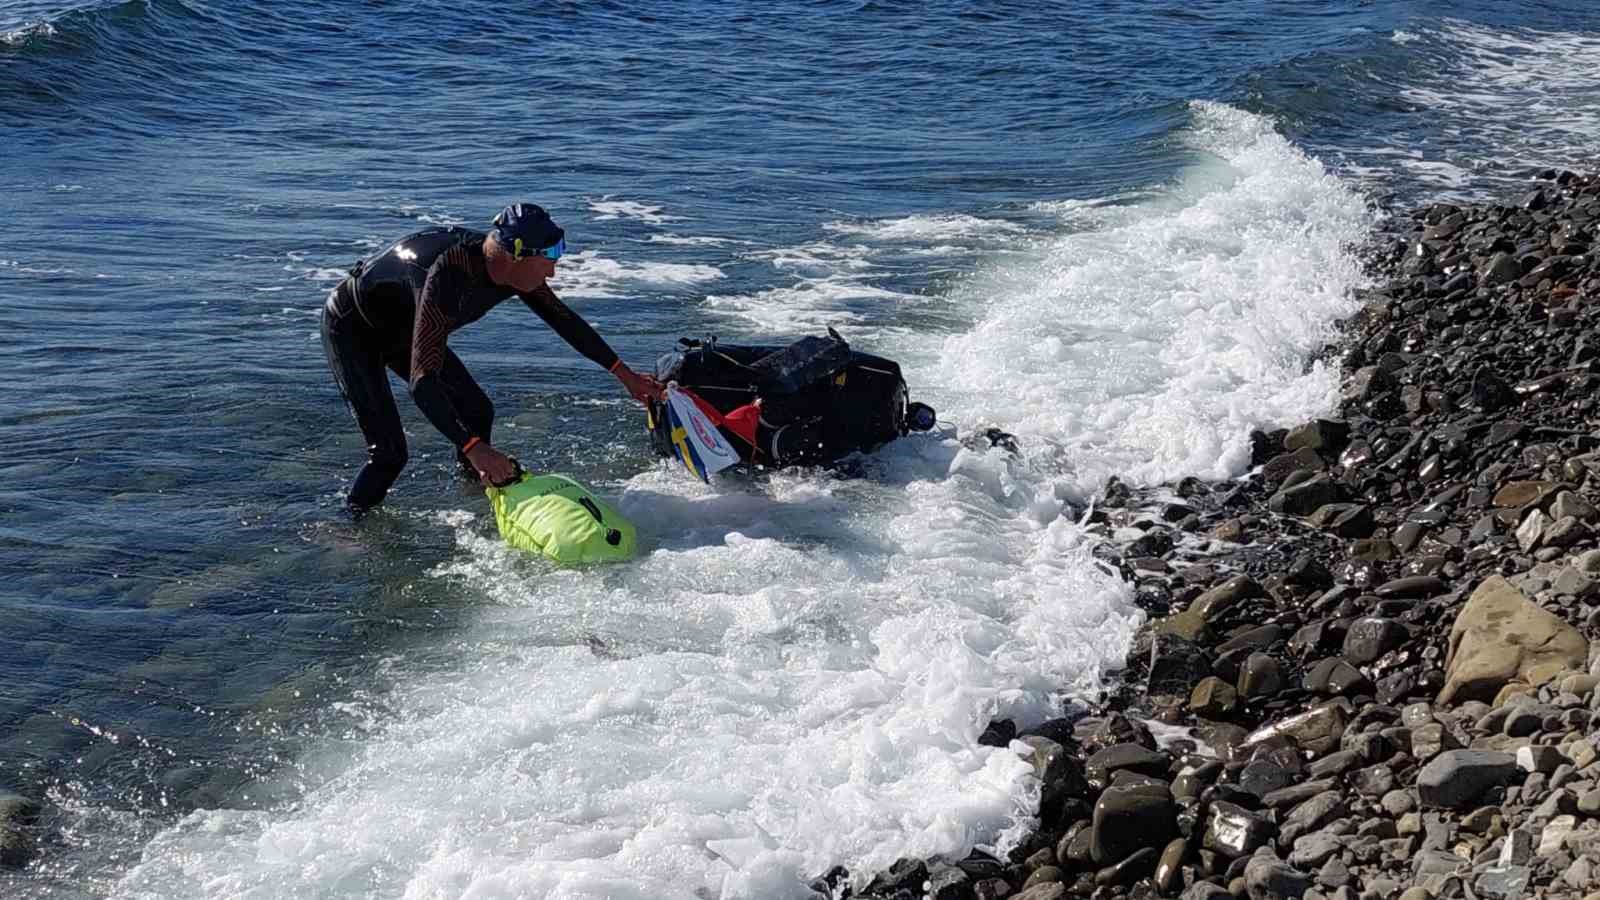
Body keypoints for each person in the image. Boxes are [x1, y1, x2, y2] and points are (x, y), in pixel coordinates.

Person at [321, 203, 662, 514]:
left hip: (405, 329)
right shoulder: (446, 276)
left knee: (477, 410)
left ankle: (475, 492)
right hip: (353, 330)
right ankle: (348, 524)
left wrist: (625, 374)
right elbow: (422, 382)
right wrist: (473, 446)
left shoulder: (512, 271)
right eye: (549, 263)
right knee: (389, 454)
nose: (553, 275)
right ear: (516, 254)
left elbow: (565, 321)